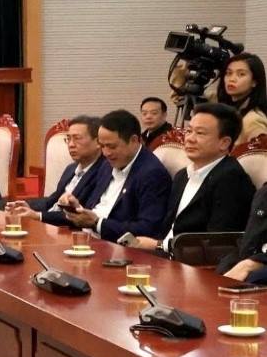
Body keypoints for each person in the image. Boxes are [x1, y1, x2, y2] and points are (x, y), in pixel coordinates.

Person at [125, 103, 254, 253]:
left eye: (200, 133)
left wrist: (159, 246)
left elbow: (218, 243)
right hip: (162, 256)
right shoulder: (182, 175)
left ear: (224, 143)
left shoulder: (232, 180)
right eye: (189, 131)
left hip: (194, 263)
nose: (190, 139)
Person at [61, 110, 172, 243]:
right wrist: (77, 209)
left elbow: (147, 229)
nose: (106, 153)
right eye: (102, 146)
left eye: (111, 146)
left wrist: (97, 223)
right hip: (84, 238)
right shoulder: (108, 164)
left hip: (115, 247)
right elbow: (95, 207)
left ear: (134, 140)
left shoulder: (152, 174)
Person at [5, 115, 110, 226]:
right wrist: (26, 206)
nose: (71, 145)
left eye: (77, 138)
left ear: (98, 142)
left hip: (68, 230)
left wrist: (38, 216)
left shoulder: (104, 173)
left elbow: (81, 215)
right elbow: (52, 201)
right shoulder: (71, 169)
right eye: (68, 139)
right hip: (49, 226)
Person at [214, 53, 267, 144]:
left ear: (254, 81)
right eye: (229, 73)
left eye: (241, 74)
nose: (232, 79)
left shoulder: (253, 120)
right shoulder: (230, 109)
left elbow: (261, 151)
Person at [219, 183, 267, 282]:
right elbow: (250, 241)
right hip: (251, 257)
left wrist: (252, 263)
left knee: (253, 278)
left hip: (259, 265)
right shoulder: (263, 193)